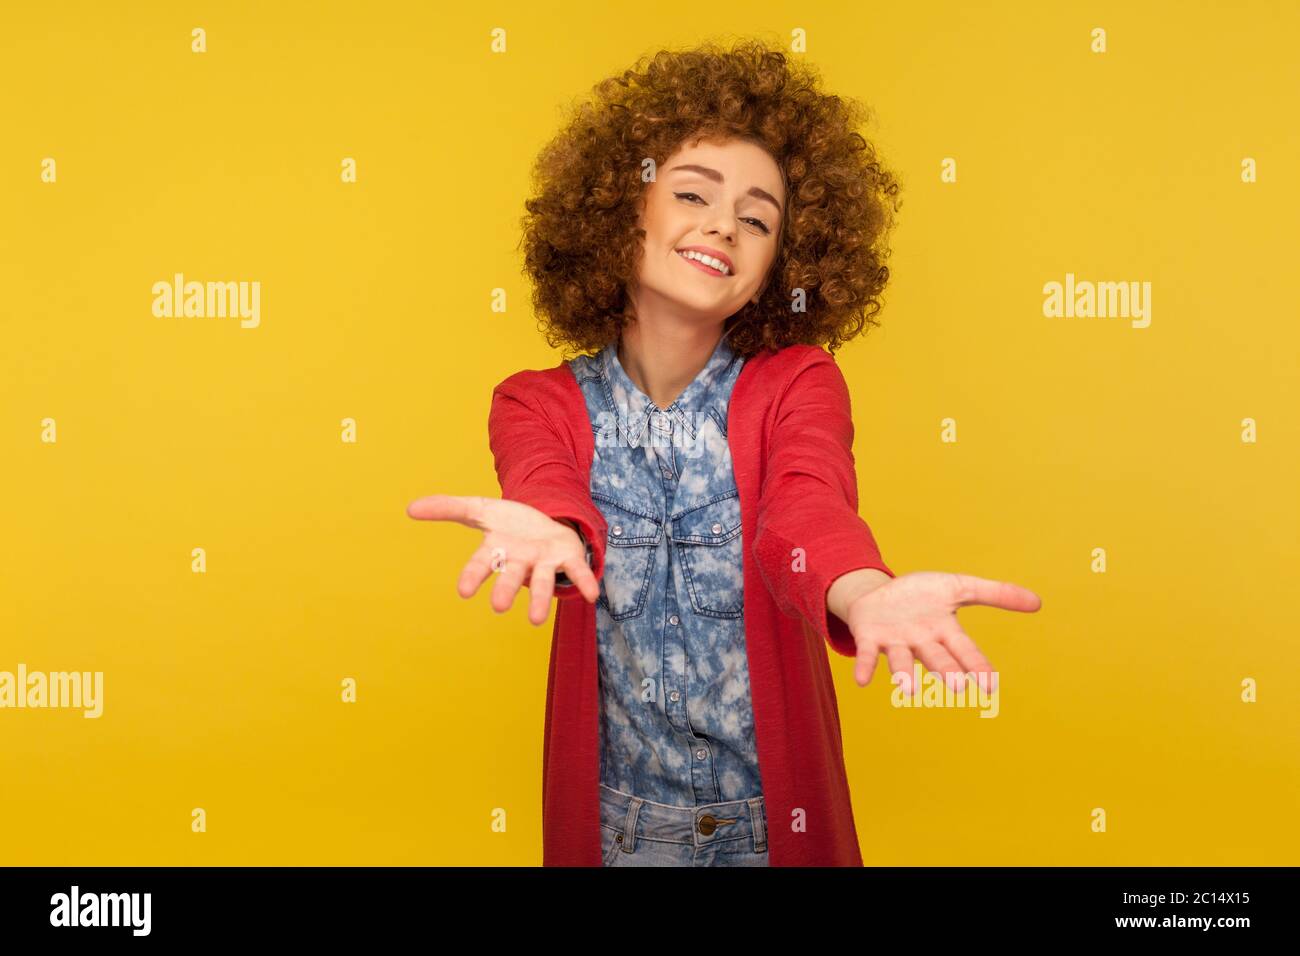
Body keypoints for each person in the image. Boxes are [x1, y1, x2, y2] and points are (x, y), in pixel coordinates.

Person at [407, 39, 1041, 866]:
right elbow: (545, 480)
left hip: (773, 831)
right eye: (693, 195)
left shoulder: (797, 384)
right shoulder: (536, 402)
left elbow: (805, 510)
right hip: (617, 832)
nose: (722, 225)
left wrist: (865, 593)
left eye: (756, 217)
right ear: (621, 206)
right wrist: (551, 530)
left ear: (780, 263)